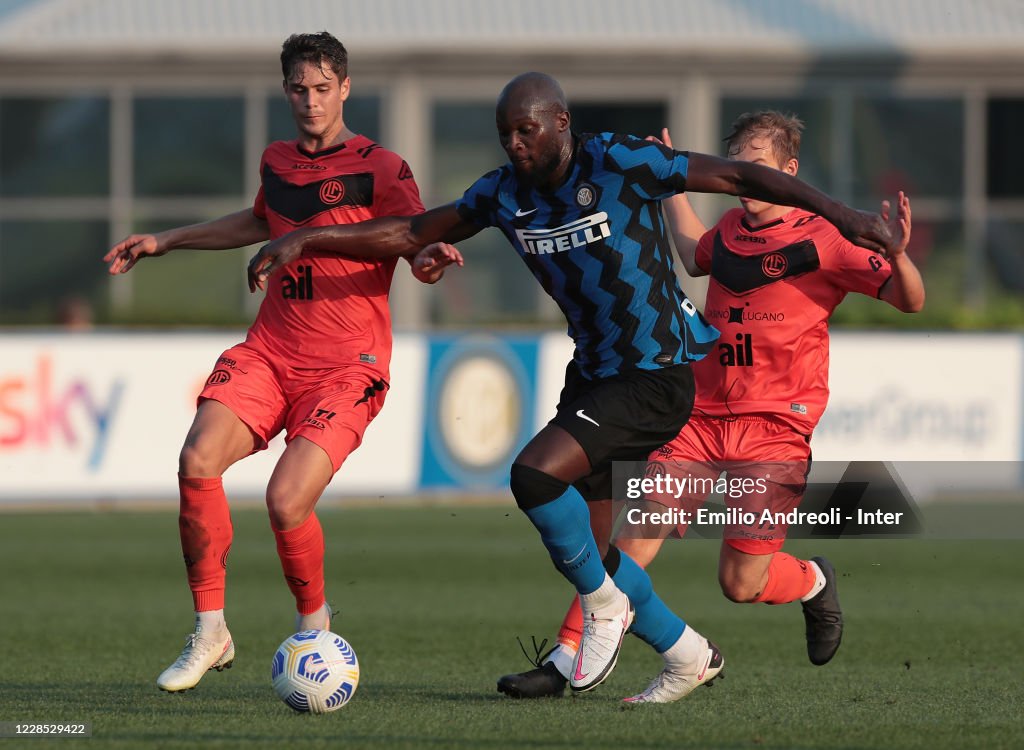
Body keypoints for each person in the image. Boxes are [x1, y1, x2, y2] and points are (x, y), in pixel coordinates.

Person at [246, 75, 901, 702]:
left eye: (527, 130)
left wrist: (840, 213)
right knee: (598, 547)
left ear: (561, 122)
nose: (516, 145)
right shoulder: (503, 193)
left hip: (657, 373)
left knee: (534, 478)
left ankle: (606, 611)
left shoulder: (618, 160)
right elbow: (414, 232)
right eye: (506, 135)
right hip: (593, 373)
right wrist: (309, 237)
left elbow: (734, 175)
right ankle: (684, 654)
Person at [496, 111, 923, 703]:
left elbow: (910, 300)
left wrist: (899, 256)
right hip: (698, 417)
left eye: (761, 168)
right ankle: (568, 656)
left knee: (740, 582)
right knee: (633, 537)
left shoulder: (825, 237)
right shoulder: (728, 229)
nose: (747, 179)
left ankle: (812, 581)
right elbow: (695, 254)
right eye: (741, 166)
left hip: (775, 429)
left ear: (789, 172)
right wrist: (666, 183)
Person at [103, 32, 454, 693]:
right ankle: (211, 630)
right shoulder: (279, 161)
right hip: (270, 351)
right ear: (285, 89)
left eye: (323, 88)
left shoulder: (381, 166)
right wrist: (166, 241)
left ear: (345, 88)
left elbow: (414, 238)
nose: (311, 101)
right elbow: (260, 220)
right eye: (299, 88)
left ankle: (313, 628)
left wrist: (429, 261)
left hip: (348, 365)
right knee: (196, 461)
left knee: (285, 499)